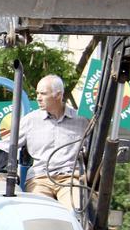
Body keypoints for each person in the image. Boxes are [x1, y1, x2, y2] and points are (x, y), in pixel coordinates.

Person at [12, 74, 89, 209]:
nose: (38, 98)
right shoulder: (30, 120)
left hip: (70, 179)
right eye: (37, 93)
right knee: (41, 213)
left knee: (76, 212)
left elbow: (95, 152)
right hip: (40, 179)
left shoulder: (82, 121)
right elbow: (7, 145)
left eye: (43, 94)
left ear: (58, 95)